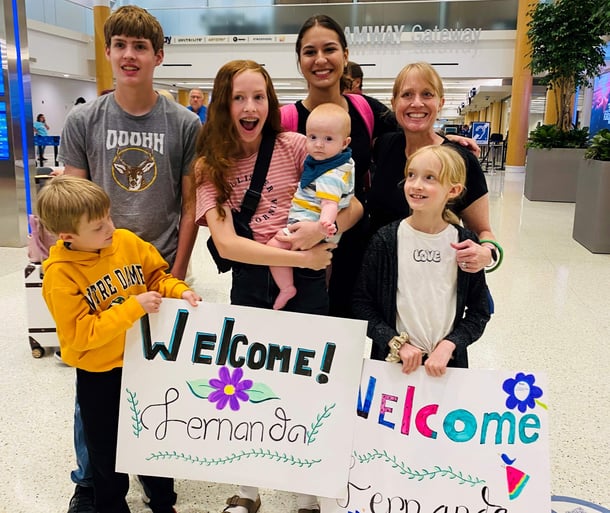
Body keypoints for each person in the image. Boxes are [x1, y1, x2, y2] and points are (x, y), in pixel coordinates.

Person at [195, 59, 362, 513]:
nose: (250, 107)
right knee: (244, 385)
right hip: (251, 285)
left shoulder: (295, 146)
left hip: (306, 284)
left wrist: (322, 233)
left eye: (259, 97)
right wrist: (297, 256)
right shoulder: (210, 167)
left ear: (270, 103)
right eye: (238, 98)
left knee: (308, 383)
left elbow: (352, 206)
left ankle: (307, 495)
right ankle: (246, 491)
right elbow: (227, 245)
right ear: (222, 104)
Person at [58, 5, 201, 512]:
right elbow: (70, 198)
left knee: (155, 381)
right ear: (108, 51)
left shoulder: (183, 123)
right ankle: (91, 480)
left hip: (154, 268)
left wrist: (177, 273)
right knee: (94, 385)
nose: (129, 55)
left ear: (159, 55)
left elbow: (189, 206)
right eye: (120, 45)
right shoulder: (84, 119)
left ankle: (156, 473)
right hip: (94, 274)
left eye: (140, 46)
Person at [37, 175, 201, 513]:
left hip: (144, 363)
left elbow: (158, 275)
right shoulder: (60, 275)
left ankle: (162, 501)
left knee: (155, 434)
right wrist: (132, 308)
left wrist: (178, 291)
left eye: (109, 217)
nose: (109, 229)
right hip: (99, 374)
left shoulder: (126, 241)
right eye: (97, 227)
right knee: (105, 450)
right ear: (68, 236)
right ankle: (111, 506)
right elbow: (79, 335)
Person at [353, 145, 491, 372]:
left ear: (453, 190)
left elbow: (479, 311)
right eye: (411, 175)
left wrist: (450, 345)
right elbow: (362, 303)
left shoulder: (464, 243)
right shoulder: (386, 240)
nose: (416, 185)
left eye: (430, 178)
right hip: (393, 366)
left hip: (447, 367)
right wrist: (394, 342)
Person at [369, 62, 503, 274]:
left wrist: (487, 253)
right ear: (394, 103)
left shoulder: (460, 159)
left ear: (440, 103)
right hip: (381, 275)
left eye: (427, 94)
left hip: (433, 279)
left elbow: (483, 231)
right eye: (407, 95)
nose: (417, 103)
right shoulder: (384, 146)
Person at [267, 102, 354, 310]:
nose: (318, 145)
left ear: (345, 142)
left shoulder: (329, 174)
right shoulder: (339, 163)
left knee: (274, 248)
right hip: (318, 225)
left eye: (328, 139)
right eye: (312, 137)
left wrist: (322, 225)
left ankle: (286, 287)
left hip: (312, 225)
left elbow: (330, 203)